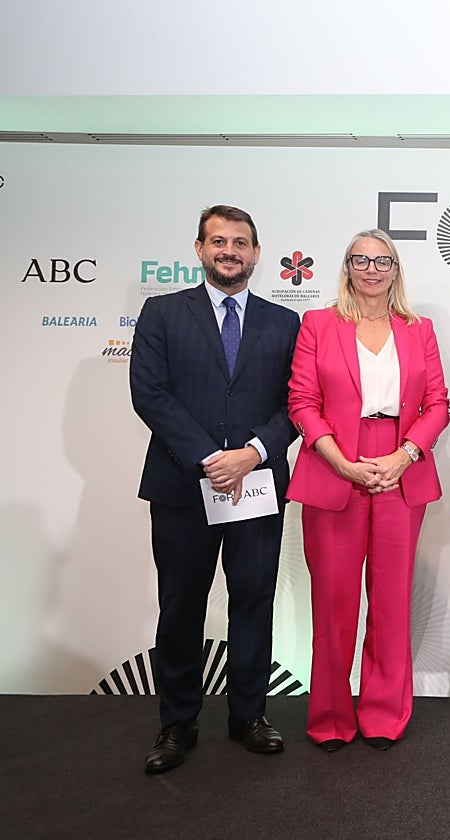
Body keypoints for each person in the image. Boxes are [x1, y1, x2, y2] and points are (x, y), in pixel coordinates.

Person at [130, 205, 300, 774]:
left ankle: (248, 715)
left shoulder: (285, 323)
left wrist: (252, 453)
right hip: (182, 485)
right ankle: (178, 722)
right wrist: (209, 459)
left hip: (257, 485)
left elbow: (296, 404)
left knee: (253, 601)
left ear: (256, 253)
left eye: (241, 242)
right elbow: (150, 394)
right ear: (200, 249)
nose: (230, 251)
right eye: (219, 241)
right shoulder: (162, 313)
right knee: (181, 606)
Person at [287, 230, 449, 752]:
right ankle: (330, 716)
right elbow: (302, 401)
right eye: (361, 260)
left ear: (395, 269)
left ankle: (383, 713)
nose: (371, 269)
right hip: (334, 465)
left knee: (391, 602)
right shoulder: (318, 324)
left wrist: (405, 455)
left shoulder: (419, 329)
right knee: (334, 603)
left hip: (401, 466)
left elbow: (438, 404)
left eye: (382, 261)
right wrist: (340, 461)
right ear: (347, 268)